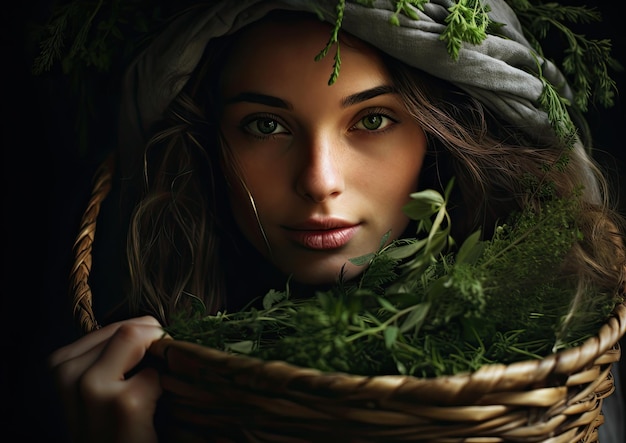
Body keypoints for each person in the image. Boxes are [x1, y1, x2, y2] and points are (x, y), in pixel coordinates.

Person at [44, 1, 625, 442]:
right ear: (206, 144)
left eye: (372, 120)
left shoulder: (537, 353)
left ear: (441, 134)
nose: (319, 181)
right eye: (266, 125)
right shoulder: (137, 357)